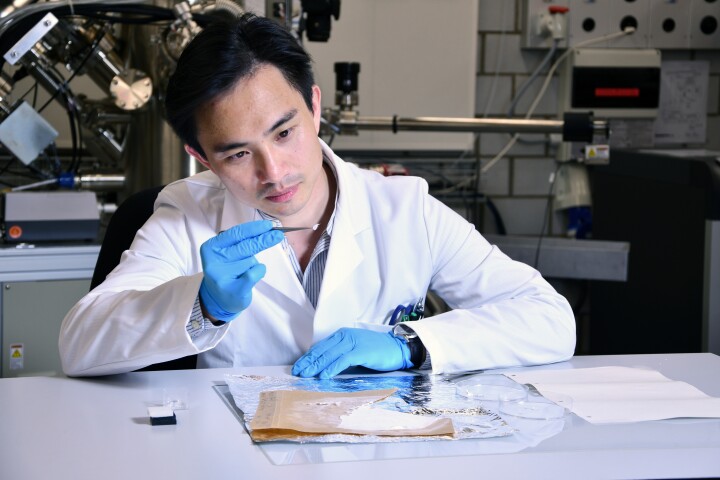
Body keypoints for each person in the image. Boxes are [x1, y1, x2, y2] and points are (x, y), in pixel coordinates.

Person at [59, 13, 576, 377]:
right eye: (238, 154)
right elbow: (79, 344)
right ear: (202, 157)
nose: (274, 172)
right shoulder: (188, 215)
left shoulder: (404, 209)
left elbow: (549, 319)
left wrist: (412, 344)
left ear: (314, 105)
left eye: (285, 133)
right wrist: (203, 305)